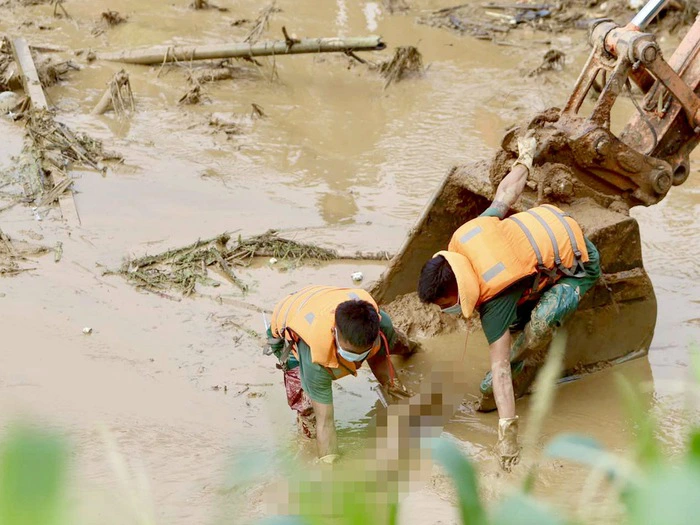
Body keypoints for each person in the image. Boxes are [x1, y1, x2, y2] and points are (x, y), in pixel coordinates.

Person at [416, 133, 601, 471]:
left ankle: (534, 333)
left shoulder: (494, 299)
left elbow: (500, 371)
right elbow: (506, 193)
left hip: (580, 261)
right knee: (523, 299)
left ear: (457, 290)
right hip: (545, 226)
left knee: (537, 328)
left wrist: (507, 434)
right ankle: (529, 305)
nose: (446, 311)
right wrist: (524, 160)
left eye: (445, 304)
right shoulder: (468, 235)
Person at [266, 285, 414, 463]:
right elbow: (326, 421)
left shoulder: (382, 325)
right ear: (334, 333)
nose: (357, 359)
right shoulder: (314, 358)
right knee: (309, 412)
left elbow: (381, 362)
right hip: (292, 329)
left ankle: (415, 348)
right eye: (351, 352)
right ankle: (309, 435)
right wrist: (330, 467)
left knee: (397, 343)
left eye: (363, 353)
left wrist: (408, 408)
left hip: (327, 299)